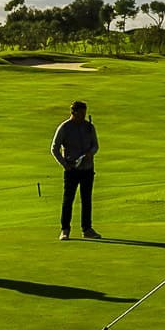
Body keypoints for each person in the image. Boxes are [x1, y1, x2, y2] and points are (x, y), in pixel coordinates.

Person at [51, 100, 101, 240]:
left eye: (85, 113)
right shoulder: (65, 127)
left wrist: (91, 152)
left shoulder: (89, 127)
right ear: (73, 112)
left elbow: (95, 145)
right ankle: (65, 230)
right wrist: (64, 164)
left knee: (87, 200)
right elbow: (54, 148)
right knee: (68, 200)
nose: (83, 116)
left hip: (87, 169)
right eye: (81, 113)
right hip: (72, 169)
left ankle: (87, 229)